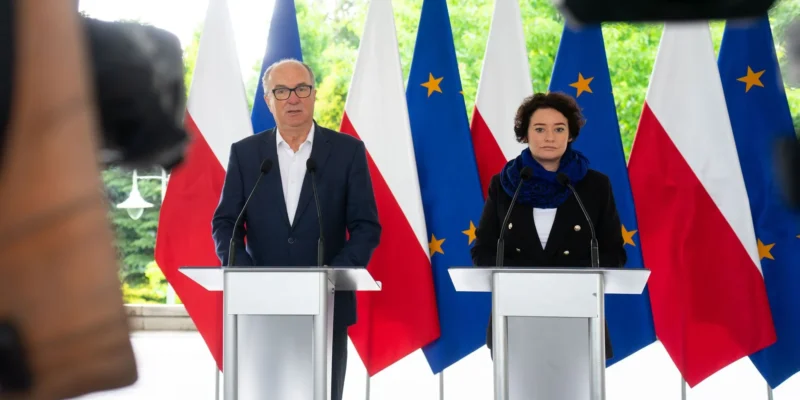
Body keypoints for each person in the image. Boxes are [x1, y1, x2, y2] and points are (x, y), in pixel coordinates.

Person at [211, 59, 381, 400]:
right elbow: (226, 222)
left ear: (314, 94)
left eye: (301, 89)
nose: (293, 98)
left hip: (327, 303)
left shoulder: (347, 151)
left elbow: (365, 225)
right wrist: (245, 275)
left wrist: (334, 274)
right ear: (267, 99)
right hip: (261, 302)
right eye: (282, 91)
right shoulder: (246, 154)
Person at [470, 91, 626, 360]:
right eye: (540, 129)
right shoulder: (505, 184)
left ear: (571, 134)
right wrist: (528, 276)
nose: (550, 137)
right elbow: (482, 251)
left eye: (559, 129)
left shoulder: (595, 186)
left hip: (579, 311)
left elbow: (615, 254)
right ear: (525, 134)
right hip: (514, 312)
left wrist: (565, 276)